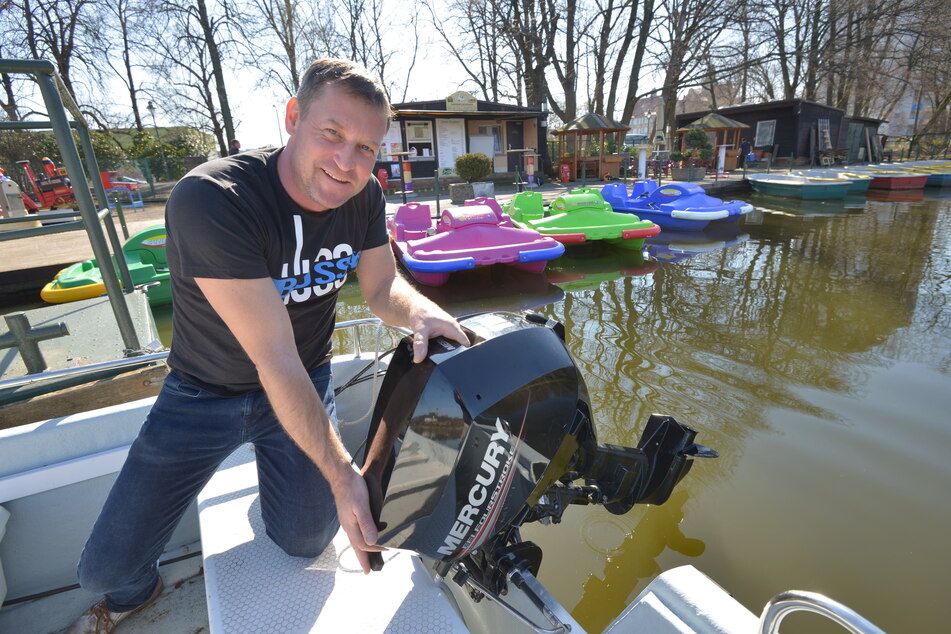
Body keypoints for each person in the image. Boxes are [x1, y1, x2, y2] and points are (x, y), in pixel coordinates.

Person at [66, 58, 467, 633]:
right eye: (332, 133)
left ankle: (280, 479)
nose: (347, 162)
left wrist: (426, 315)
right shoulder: (213, 198)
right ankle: (140, 587)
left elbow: (381, 288)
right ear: (293, 117)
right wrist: (341, 473)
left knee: (306, 543)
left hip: (309, 376)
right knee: (102, 572)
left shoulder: (363, 198)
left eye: (367, 148)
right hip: (202, 394)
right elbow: (271, 355)